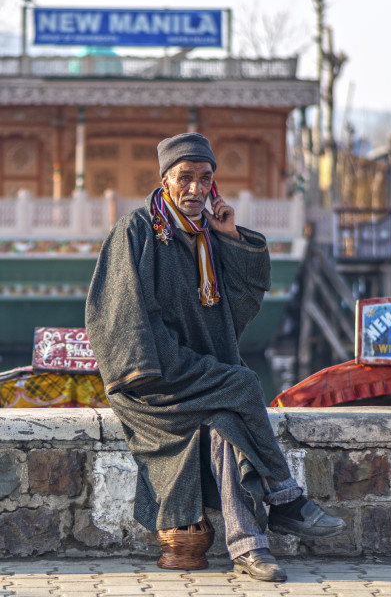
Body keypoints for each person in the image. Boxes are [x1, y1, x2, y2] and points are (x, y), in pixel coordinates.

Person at [85, 133, 345, 583]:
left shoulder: (207, 236)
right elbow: (120, 317)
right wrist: (161, 369)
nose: (195, 188)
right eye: (185, 178)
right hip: (153, 378)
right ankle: (286, 499)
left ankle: (249, 547)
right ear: (165, 179)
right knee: (243, 383)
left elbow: (240, 306)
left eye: (205, 178)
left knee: (228, 422)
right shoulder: (138, 231)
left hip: (197, 378)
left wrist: (231, 238)